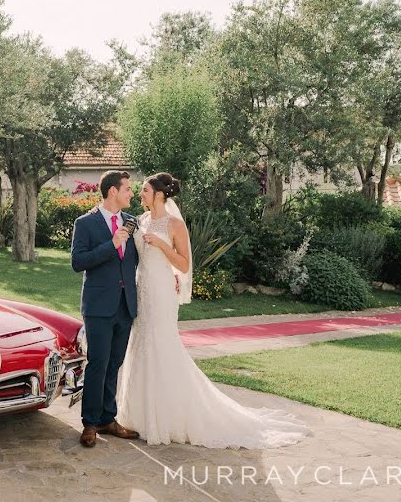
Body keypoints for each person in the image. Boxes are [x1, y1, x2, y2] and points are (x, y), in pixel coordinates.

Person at [114, 172, 310, 448]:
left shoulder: (174, 225)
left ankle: (168, 417)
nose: (141, 194)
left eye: (145, 190)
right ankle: (138, 415)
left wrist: (161, 245)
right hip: (142, 290)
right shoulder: (142, 220)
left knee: (162, 346)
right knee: (141, 344)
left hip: (161, 293)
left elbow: (183, 266)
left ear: (159, 194)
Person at [70, 170, 140, 448]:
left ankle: (108, 418)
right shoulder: (85, 223)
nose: (131, 194)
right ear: (113, 191)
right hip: (99, 306)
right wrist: (111, 245)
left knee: (115, 363)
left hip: (125, 305)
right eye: (127, 189)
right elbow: (78, 262)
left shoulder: (132, 222)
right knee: (97, 364)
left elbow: (137, 260)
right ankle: (90, 423)